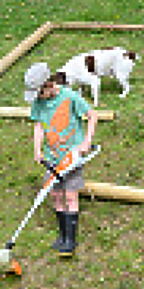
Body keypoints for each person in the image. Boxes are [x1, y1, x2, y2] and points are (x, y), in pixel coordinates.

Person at [23, 62, 97, 257]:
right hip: (52, 158)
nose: (38, 98)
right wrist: (37, 150)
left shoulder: (70, 97)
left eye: (39, 93)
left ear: (48, 85)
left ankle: (71, 241)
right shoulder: (38, 102)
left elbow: (92, 115)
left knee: (70, 195)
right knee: (55, 195)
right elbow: (38, 126)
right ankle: (63, 236)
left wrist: (86, 142)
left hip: (72, 157)